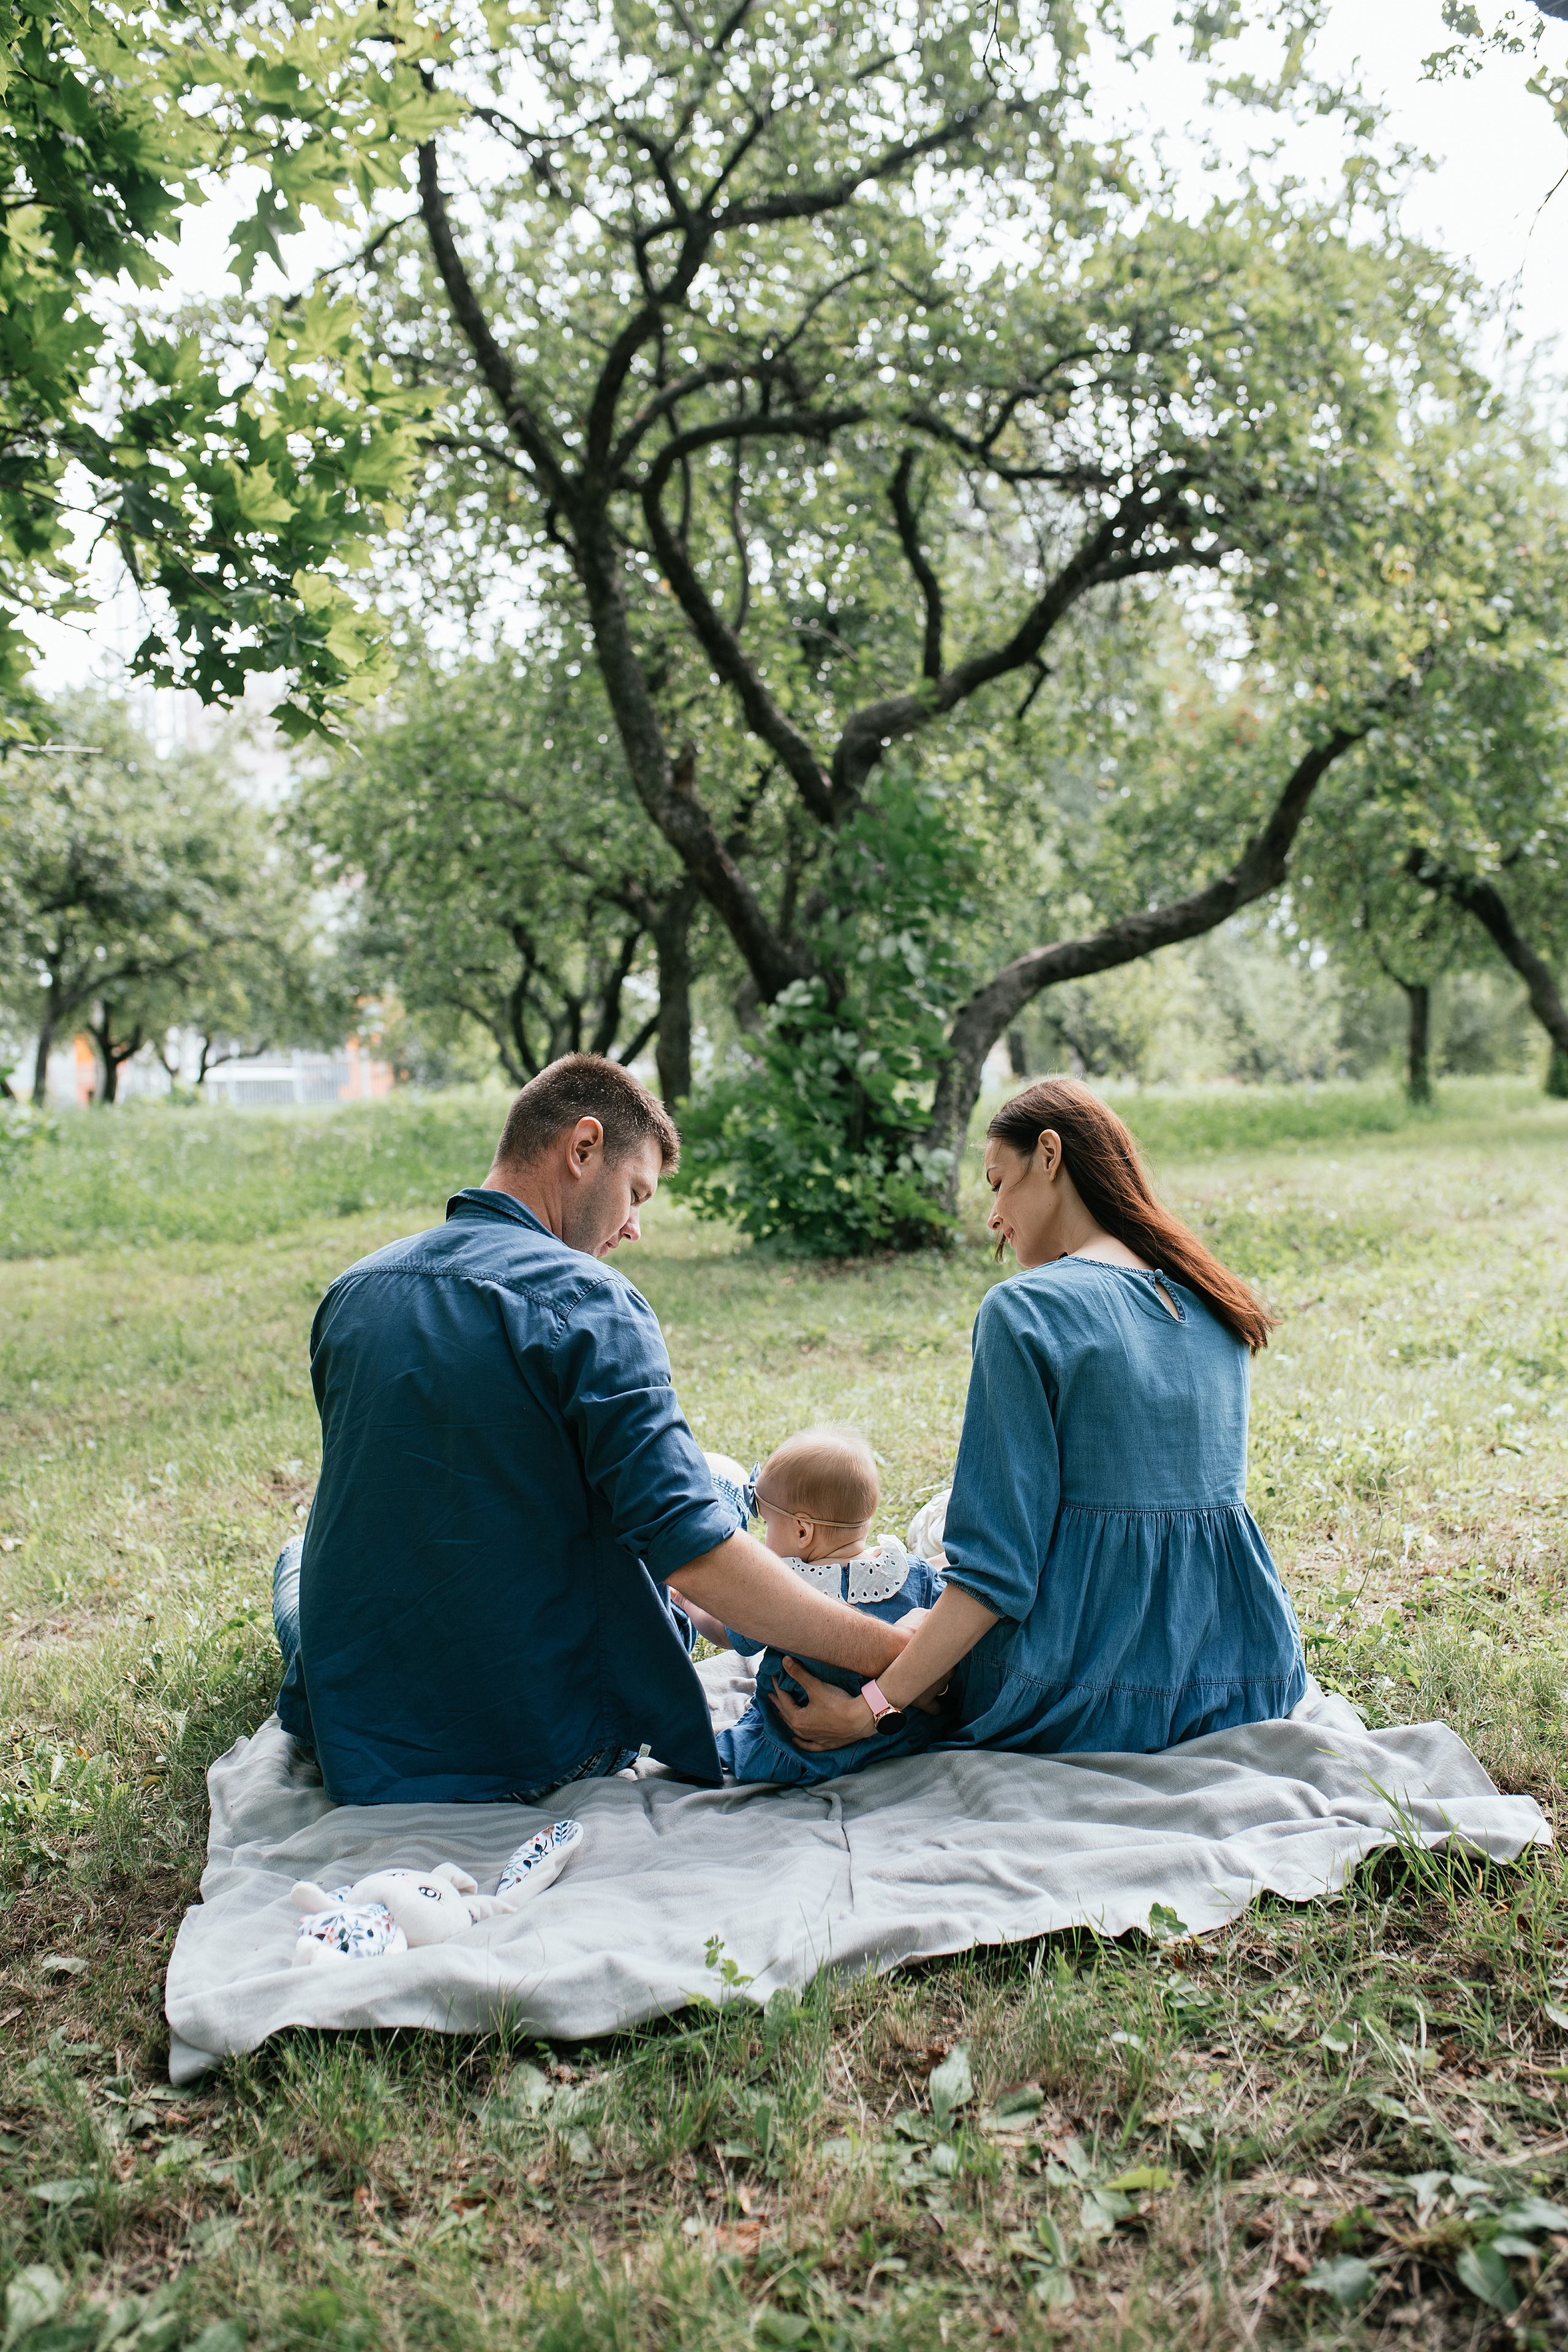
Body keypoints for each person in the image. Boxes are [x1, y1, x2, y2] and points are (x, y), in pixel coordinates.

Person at [271, 1055, 911, 1805]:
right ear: (583, 1148)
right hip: (543, 1739)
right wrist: (900, 1656)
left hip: (360, 1736)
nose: (634, 1227)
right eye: (636, 1192)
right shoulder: (587, 1299)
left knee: (300, 1554)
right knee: (721, 1483)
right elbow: (695, 1556)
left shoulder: (354, 1290)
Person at [771, 1078, 1307, 1762]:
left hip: (1081, 1690)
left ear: (1048, 1155)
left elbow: (995, 1574)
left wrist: (871, 1708)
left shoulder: (1025, 1310)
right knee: (942, 1539)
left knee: (913, 1587)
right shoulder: (1212, 1295)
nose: (993, 1215)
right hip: (1245, 1673)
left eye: (997, 1182)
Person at [674, 1425, 944, 1785]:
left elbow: (724, 1629)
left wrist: (690, 1602)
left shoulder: (782, 1589)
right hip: (900, 1740)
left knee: (693, 1749)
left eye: (767, 1522)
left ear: (803, 1531)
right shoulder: (912, 1573)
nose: (763, 1534)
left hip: (796, 1751)